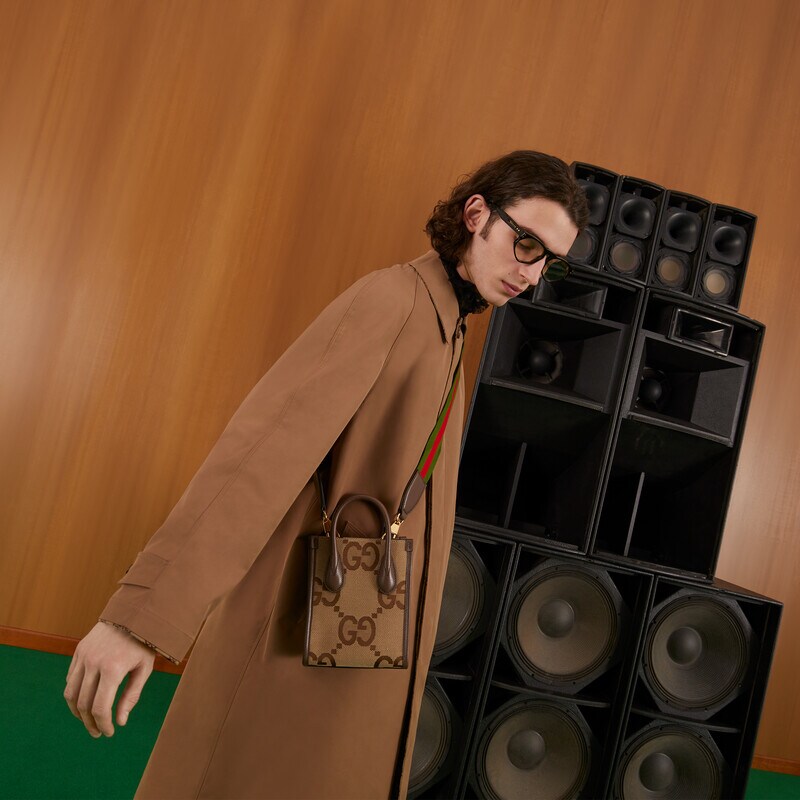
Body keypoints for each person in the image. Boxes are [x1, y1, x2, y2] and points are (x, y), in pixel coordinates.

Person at [64, 149, 588, 799]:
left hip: (356, 630)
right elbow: (260, 457)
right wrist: (140, 619)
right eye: (526, 244)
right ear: (476, 214)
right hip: (303, 634)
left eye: (548, 261)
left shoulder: (445, 327)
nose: (532, 274)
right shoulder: (392, 303)